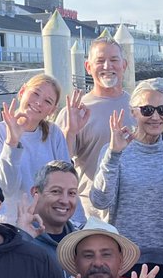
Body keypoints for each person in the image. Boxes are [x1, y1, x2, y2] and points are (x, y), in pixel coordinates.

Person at [90, 80, 163, 278]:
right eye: (147, 110)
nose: (156, 117)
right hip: (126, 257)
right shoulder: (114, 150)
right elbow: (100, 201)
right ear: (133, 113)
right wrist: (113, 155)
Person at [0, 72, 79, 225]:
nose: (38, 102)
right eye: (35, 93)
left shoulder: (54, 133)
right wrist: (12, 142)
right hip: (13, 227)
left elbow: (68, 185)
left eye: (47, 101)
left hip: (51, 226)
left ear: (52, 110)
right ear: (22, 92)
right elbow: (5, 189)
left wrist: (78, 224)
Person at [56, 38, 134, 219]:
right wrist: (70, 131)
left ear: (124, 65)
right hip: (93, 211)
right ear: (88, 67)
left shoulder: (139, 106)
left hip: (134, 209)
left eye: (114, 60)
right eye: (100, 61)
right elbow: (60, 164)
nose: (107, 66)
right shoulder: (75, 111)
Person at [19, 159, 83, 257]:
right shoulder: (18, 240)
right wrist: (23, 239)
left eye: (71, 193)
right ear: (36, 192)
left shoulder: (82, 242)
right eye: (56, 191)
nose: (65, 200)